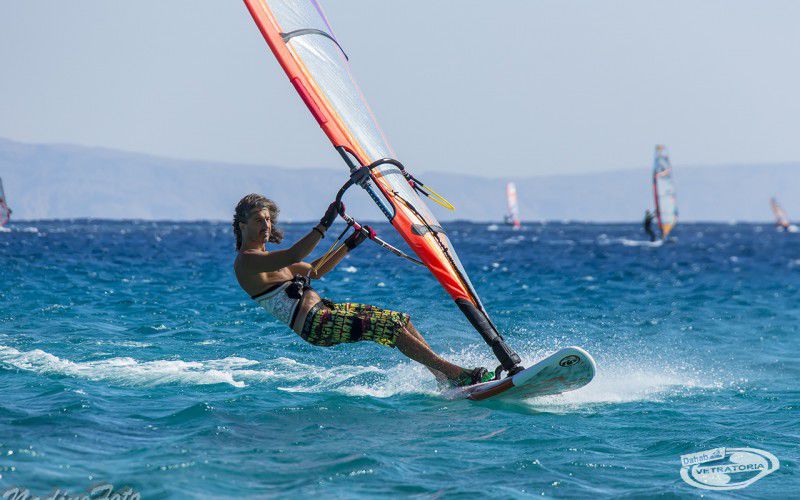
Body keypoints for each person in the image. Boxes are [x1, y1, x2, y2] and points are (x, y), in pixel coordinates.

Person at [232, 194, 493, 387]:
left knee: (400, 320)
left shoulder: (269, 259)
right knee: (390, 329)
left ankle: (441, 376)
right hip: (316, 324)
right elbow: (295, 254)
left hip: (327, 312)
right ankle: (456, 373)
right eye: (258, 220)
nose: (266, 225)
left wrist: (349, 244)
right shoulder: (247, 261)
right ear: (243, 226)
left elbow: (314, 270)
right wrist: (325, 223)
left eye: (268, 219)